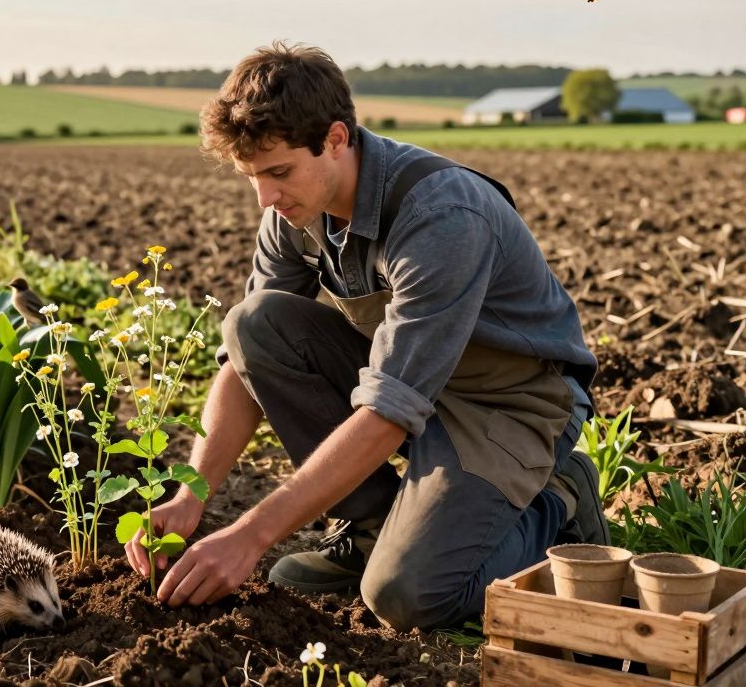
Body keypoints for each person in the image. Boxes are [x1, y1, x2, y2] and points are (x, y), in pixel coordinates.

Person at [123, 41, 605, 632]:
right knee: (256, 322)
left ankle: (556, 502)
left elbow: (388, 412)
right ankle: (376, 526)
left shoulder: (440, 216)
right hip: (413, 382)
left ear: (335, 139)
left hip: (509, 405)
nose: (265, 198)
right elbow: (245, 362)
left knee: (407, 597)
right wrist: (191, 492)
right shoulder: (293, 211)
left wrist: (251, 535)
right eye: (252, 177)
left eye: (278, 172)